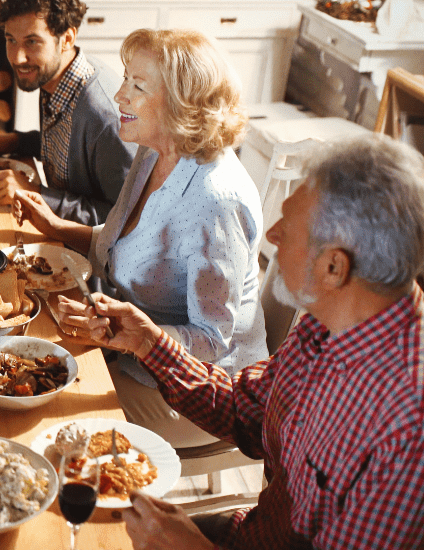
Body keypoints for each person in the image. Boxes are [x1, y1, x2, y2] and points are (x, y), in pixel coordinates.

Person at [78, 134, 424, 549]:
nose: (271, 234)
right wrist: (150, 343)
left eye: (288, 228)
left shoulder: (416, 420)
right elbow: (246, 410)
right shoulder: (331, 320)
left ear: (333, 266)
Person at [15, 28, 267, 449]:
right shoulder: (154, 152)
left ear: (183, 101)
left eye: (137, 85)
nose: (119, 96)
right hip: (132, 353)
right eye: (125, 78)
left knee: (45, 412)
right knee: (23, 363)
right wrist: (57, 229)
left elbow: (210, 339)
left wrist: (131, 336)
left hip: (199, 393)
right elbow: (126, 244)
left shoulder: (214, 200)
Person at [0, 0, 135, 226]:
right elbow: (70, 149)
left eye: (32, 42)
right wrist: (17, 141)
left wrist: (35, 193)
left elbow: (126, 220)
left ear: (66, 39)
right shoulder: (55, 77)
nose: (17, 58)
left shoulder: (105, 118)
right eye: (11, 40)